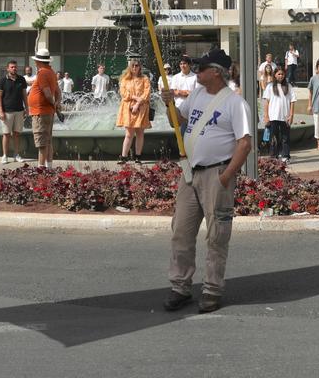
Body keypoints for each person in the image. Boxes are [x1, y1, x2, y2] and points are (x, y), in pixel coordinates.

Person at [161, 48, 252, 315]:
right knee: (181, 231)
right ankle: (180, 286)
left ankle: (212, 290)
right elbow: (178, 122)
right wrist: (169, 104)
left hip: (217, 174)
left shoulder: (236, 104)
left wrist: (226, 176)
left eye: (201, 68)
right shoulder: (197, 94)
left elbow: (244, 144)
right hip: (190, 173)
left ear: (216, 72)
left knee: (217, 235)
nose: (196, 71)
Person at [27, 47, 62, 168]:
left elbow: (47, 94)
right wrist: (56, 104)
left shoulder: (42, 73)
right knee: (48, 140)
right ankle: (49, 166)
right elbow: (58, 91)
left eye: (36, 61)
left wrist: (55, 105)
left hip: (41, 112)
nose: (35, 63)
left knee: (42, 142)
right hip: (47, 111)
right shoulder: (51, 72)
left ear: (39, 61)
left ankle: (41, 168)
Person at [117, 57, 152, 163]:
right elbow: (123, 93)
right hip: (128, 108)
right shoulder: (125, 79)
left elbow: (147, 93)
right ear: (129, 67)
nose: (135, 67)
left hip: (141, 107)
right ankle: (124, 156)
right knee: (129, 133)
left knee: (140, 133)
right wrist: (135, 98)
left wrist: (137, 103)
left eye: (137, 65)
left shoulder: (145, 78)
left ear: (140, 67)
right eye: (132, 65)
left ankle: (138, 156)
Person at [0, 61, 28, 164]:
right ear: (8, 68)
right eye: (12, 67)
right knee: (6, 134)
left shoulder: (21, 79)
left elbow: (24, 95)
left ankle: (16, 155)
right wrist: (1, 111)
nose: (14, 68)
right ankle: (5, 155)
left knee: (17, 134)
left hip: (19, 110)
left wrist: (27, 108)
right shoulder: (2, 81)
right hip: (7, 111)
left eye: (15, 67)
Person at [261, 66, 294, 162]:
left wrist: (291, 115)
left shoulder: (289, 86)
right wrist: (266, 116)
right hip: (273, 116)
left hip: (285, 117)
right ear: (275, 75)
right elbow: (266, 102)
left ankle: (285, 155)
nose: (281, 76)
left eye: (282, 74)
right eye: (279, 74)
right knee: (273, 137)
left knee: (285, 137)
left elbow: (292, 101)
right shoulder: (270, 86)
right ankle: (273, 156)